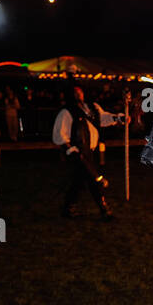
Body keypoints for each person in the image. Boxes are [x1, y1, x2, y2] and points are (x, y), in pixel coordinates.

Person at [52, 84, 121, 220]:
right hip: (78, 153)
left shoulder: (91, 107)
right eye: (74, 92)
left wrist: (117, 118)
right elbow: (59, 134)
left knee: (79, 181)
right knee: (93, 179)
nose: (78, 94)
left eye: (79, 91)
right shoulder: (67, 112)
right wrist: (71, 149)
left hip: (90, 151)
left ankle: (68, 208)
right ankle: (104, 209)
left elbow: (103, 118)